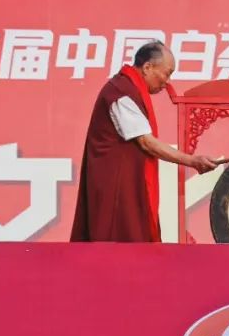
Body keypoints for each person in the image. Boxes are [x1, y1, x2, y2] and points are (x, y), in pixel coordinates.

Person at [71, 41, 217, 242]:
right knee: (118, 242)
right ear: (147, 67)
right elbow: (146, 142)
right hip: (115, 187)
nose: (167, 83)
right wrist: (192, 160)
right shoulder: (120, 93)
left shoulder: (127, 89)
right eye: (167, 74)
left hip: (125, 184)